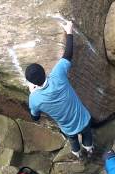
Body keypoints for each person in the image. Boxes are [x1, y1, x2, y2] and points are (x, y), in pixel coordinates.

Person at [25, 20, 93, 159]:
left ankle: (78, 154)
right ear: (45, 72)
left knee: (73, 140)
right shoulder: (58, 74)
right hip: (84, 119)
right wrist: (69, 31)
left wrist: (33, 93)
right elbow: (68, 54)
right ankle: (90, 150)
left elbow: (35, 117)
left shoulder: (34, 99)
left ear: (32, 83)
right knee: (87, 135)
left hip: (68, 128)